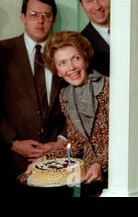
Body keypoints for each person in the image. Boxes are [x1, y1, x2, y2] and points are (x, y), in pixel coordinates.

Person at [28, 31, 109, 196]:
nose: (71, 67)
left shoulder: (109, 87)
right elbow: (77, 143)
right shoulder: (65, 96)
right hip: (86, 178)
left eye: (76, 58)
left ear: (85, 60)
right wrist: (46, 159)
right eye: (62, 63)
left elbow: (125, 138)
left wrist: (100, 164)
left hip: (116, 174)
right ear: (57, 70)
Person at [0, 0, 66, 194]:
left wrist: (62, 140)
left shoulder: (66, 53)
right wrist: (13, 142)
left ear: (54, 19)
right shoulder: (3, 51)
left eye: (46, 15)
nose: (40, 20)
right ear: (23, 18)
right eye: (34, 14)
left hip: (57, 162)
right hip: (13, 163)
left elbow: (75, 103)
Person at [77, 0, 111, 76]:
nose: (97, 6)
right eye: (89, 1)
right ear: (82, 4)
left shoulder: (133, 31)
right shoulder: (79, 44)